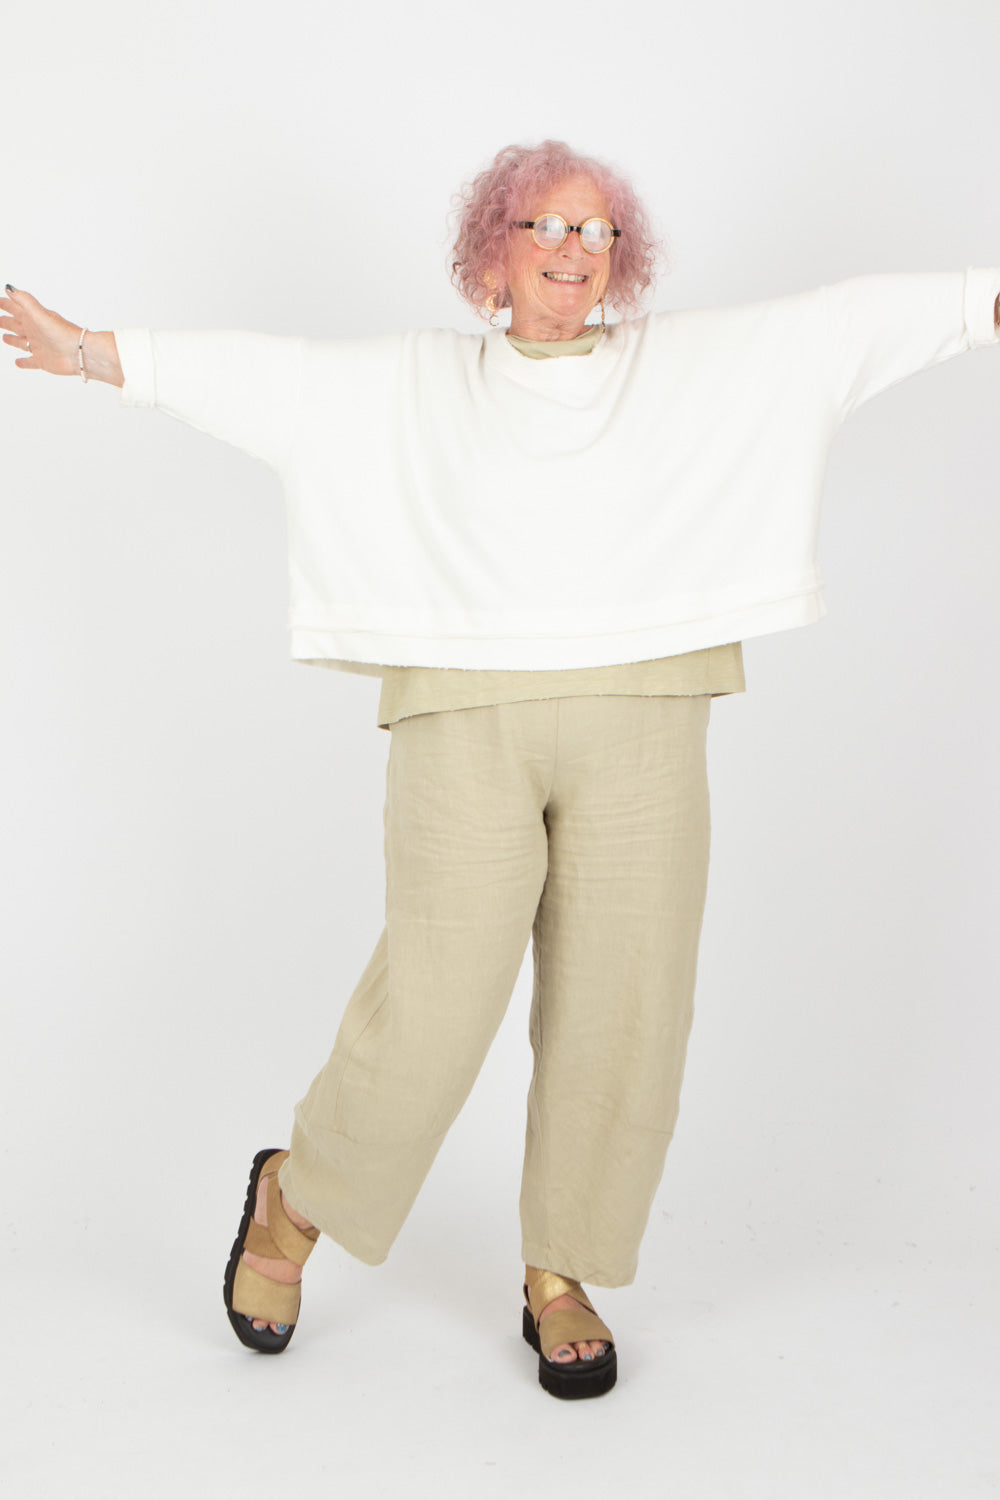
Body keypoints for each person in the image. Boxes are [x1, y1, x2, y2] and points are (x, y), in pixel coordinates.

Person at [3, 140, 998, 1402]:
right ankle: (293, 1202)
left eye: (595, 232)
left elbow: (837, 328)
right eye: (546, 227)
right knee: (436, 1001)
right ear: (495, 252)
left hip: (645, 711)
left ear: (619, 257)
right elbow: (272, 381)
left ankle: (559, 1271)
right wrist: (98, 353)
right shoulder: (419, 382)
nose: (573, 251)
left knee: (626, 1008)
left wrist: (980, 302)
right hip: (463, 711)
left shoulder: (684, 367)